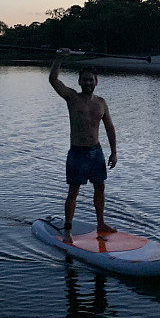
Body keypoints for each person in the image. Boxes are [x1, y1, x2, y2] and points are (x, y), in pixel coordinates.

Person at [49, 49, 117, 243]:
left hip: (96, 152)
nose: (88, 83)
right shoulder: (72, 97)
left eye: (91, 80)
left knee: (100, 188)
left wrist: (114, 152)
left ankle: (101, 223)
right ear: (79, 81)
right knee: (74, 191)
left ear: (96, 82)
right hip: (77, 152)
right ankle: (67, 229)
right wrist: (59, 58)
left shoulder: (101, 103)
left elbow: (110, 127)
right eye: (85, 79)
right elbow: (53, 80)